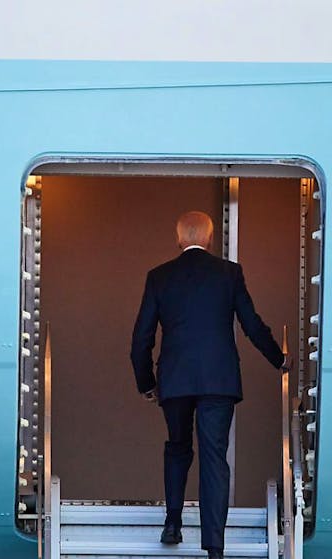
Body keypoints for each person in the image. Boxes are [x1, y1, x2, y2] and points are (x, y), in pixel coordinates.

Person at [130, 211, 289, 559]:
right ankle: (214, 549)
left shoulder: (159, 277)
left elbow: (141, 337)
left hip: (174, 378)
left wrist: (147, 383)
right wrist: (279, 359)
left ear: (178, 239)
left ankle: (172, 523)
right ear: (210, 238)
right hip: (219, 379)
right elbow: (251, 324)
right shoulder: (229, 274)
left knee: (177, 446)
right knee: (214, 456)